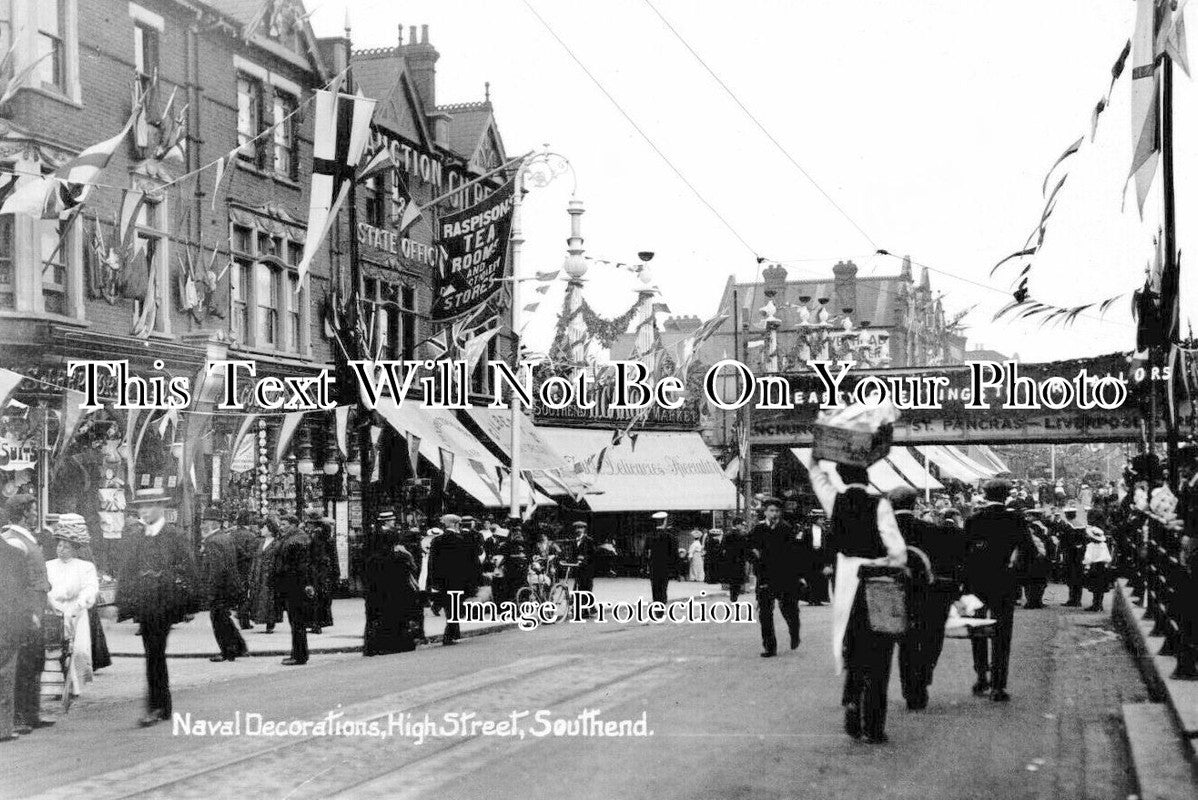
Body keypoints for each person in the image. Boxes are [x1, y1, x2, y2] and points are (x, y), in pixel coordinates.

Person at [800, 455, 906, 744]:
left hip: (847, 581)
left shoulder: (835, 501)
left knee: (853, 649)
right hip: (876, 581)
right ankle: (873, 725)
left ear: (843, 480)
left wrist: (816, 458)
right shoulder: (880, 504)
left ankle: (851, 704)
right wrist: (889, 562)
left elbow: (818, 479)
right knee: (879, 653)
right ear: (867, 477)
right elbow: (897, 549)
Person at [116, 495, 200, 726]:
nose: (144, 511)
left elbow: (189, 568)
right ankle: (162, 705)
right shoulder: (138, 537)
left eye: (149, 506)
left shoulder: (174, 536)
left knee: (154, 651)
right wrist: (123, 602)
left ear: (161, 508)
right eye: (141, 507)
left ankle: (157, 706)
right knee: (154, 653)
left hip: (165, 603)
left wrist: (187, 605)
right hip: (145, 604)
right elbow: (127, 570)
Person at [889, 487, 964, 711]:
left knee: (905, 643)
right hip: (927, 595)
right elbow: (949, 564)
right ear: (915, 505)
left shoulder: (881, 531)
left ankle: (909, 687)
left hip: (892, 595)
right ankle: (922, 678)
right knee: (929, 638)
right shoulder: (932, 531)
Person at [964, 479, 1038, 703]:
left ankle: (981, 676)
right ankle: (998, 685)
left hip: (977, 582)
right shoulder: (1015, 519)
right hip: (1004, 581)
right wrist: (1016, 572)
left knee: (977, 629)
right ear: (1007, 496)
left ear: (985, 494)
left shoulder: (974, 520)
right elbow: (1030, 550)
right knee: (1002, 633)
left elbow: (963, 552)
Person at [1, 495, 52, 735]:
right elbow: (18, 583)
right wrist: (30, 611)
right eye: (32, 510)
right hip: (25, 610)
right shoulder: (13, 540)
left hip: (37, 607)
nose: (35, 514)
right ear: (22, 513)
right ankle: (20, 715)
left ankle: (32, 713)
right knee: (23, 662)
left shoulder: (26, 538)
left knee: (35, 660)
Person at [44, 516, 99, 702]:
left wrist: (80, 604)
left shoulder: (85, 567)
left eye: (66, 547)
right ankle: (56, 686)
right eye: (59, 545)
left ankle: (75, 684)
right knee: (54, 650)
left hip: (76, 611)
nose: (61, 549)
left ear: (74, 549)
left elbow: (90, 588)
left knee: (78, 649)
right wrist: (50, 603)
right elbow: (45, 588)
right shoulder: (49, 565)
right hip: (54, 611)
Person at [748, 497, 811, 658]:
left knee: (789, 610)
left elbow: (796, 554)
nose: (774, 513)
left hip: (786, 576)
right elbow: (750, 549)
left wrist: (800, 576)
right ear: (765, 512)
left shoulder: (787, 529)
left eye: (776, 511)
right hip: (765, 577)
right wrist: (756, 558)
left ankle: (794, 632)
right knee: (765, 613)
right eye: (771, 510)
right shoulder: (758, 529)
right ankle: (770, 647)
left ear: (780, 512)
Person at [363, 519, 422, 656]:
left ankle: (374, 646)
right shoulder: (400, 558)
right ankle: (395, 644)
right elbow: (409, 574)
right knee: (394, 619)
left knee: (376, 620)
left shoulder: (372, 559)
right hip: (395, 596)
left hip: (376, 595)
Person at [0, 508, 33, 743]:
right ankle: (3, 727)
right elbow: (23, 593)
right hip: (8, 624)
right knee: (6, 676)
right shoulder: (15, 555)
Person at [199, 510, 247, 663]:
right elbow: (242, 556)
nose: (201, 526)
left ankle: (228, 651)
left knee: (218, 619)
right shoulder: (226, 538)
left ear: (213, 524)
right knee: (224, 617)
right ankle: (238, 647)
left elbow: (216, 569)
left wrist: (212, 591)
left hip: (220, 588)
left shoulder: (212, 541)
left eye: (204, 523)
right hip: (230, 585)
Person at [428, 514, 477, 645]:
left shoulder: (437, 541)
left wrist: (433, 581)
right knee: (455, 607)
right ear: (456, 524)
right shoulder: (462, 540)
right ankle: (450, 634)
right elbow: (469, 562)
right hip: (459, 580)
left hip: (443, 580)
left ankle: (454, 632)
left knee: (449, 607)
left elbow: (432, 563)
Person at [274, 517, 316, 665]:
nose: (282, 527)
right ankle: (298, 653)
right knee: (296, 622)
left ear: (293, 525)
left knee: (297, 621)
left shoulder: (296, 540)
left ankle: (299, 655)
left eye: (284, 524)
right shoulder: (295, 538)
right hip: (293, 584)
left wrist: (305, 584)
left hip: (295, 585)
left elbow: (302, 565)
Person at [305, 511, 338, 633]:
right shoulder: (326, 535)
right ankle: (319, 622)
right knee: (321, 598)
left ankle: (316, 624)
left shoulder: (316, 536)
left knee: (315, 597)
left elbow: (313, 555)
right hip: (324, 571)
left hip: (317, 571)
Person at [247, 517, 283, 633]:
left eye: (264, 527)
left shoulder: (277, 544)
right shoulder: (260, 542)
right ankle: (260, 618)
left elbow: (278, 561)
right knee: (260, 598)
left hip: (269, 575)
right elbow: (255, 558)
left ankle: (270, 622)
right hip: (259, 575)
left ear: (270, 529)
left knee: (269, 599)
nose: (261, 529)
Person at [226, 511, 260, 630]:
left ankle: (237, 615)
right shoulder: (250, 536)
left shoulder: (231, 534)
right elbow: (251, 554)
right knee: (244, 594)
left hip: (233, 567)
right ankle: (244, 620)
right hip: (245, 567)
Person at [1055, 506, 1088, 607]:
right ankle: (1077, 599)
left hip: (1069, 555)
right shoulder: (1081, 526)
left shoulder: (1067, 527)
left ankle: (1072, 599)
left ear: (1066, 515)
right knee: (1078, 577)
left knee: (1071, 577)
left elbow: (1063, 541)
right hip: (1080, 556)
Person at [1082, 524, 1113, 611]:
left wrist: (1085, 564)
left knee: (1095, 587)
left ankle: (1096, 604)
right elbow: (1108, 557)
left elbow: (1088, 558)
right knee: (1101, 587)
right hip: (1103, 567)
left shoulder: (1090, 546)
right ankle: (1099, 604)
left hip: (1094, 567)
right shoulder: (1104, 545)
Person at [646, 513, 675, 605]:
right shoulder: (670, 537)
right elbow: (673, 554)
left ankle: (656, 604)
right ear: (665, 521)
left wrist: (645, 566)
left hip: (653, 566)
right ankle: (662, 604)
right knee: (663, 587)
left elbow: (645, 553)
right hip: (665, 567)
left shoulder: (649, 536)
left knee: (655, 587)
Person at [720, 517, 750, 604]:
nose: (742, 526)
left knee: (732, 579)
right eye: (741, 524)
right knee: (737, 579)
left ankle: (733, 596)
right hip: (739, 560)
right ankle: (734, 596)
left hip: (729, 560)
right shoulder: (742, 535)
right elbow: (745, 548)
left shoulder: (727, 534)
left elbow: (722, 547)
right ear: (737, 525)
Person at [572, 521, 597, 617]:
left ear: (584, 529)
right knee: (580, 589)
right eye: (577, 528)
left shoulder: (589, 540)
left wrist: (585, 560)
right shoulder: (574, 541)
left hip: (587, 569)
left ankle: (589, 608)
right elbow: (573, 554)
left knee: (587, 588)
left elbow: (593, 554)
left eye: (581, 528)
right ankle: (585, 610)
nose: (579, 530)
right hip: (578, 568)